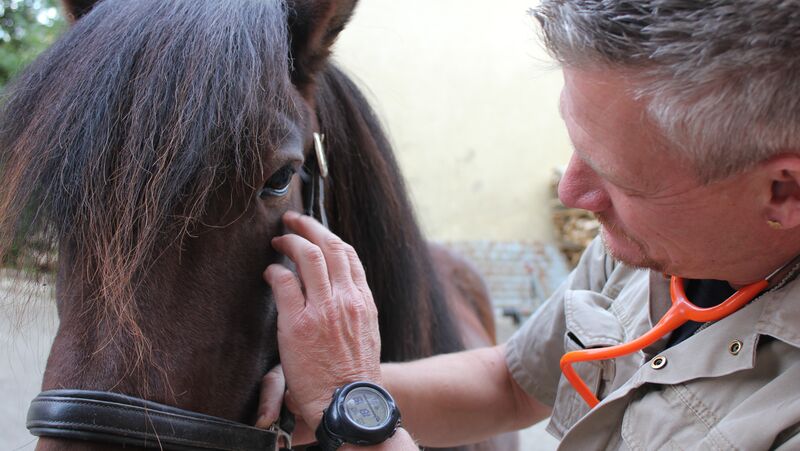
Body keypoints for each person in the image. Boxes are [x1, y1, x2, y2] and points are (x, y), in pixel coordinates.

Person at [256, 1, 800, 449]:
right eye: (577, 146)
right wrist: (317, 393)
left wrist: (354, 410)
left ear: (784, 192)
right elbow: (513, 386)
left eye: (620, 179)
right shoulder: (645, 249)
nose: (573, 194)